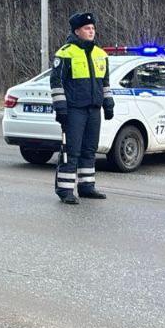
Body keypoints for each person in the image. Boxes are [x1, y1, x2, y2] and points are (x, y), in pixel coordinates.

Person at [50, 12, 114, 204]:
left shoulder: (101, 54)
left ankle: (86, 187)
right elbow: (56, 82)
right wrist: (61, 108)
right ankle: (65, 190)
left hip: (94, 109)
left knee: (89, 149)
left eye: (93, 28)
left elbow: (105, 83)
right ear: (77, 31)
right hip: (74, 110)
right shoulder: (65, 52)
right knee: (72, 150)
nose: (91, 31)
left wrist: (108, 104)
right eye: (87, 28)